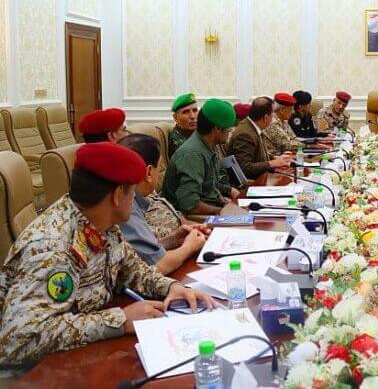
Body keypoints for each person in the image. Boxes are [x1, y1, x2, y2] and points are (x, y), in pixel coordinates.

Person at [0, 142, 215, 369]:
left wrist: (171, 287)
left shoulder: (102, 223)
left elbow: (133, 270)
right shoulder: (52, 248)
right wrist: (119, 320)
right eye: (132, 192)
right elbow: (19, 341)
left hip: (82, 356)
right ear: (118, 195)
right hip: (37, 373)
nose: (135, 200)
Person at [118, 134, 211, 275]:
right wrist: (190, 247)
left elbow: (140, 251)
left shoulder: (133, 200)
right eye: (159, 166)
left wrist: (172, 240)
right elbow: (158, 265)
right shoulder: (125, 206)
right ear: (149, 172)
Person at [162, 99, 239, 216]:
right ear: (217, 128)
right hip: (190, 218)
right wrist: (223, 212)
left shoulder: (207, 145)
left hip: (209, 208)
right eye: (228, 129)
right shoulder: (193, 154)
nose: (229, 133)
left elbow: (209, 185)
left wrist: (224, 202)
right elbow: (190, 205)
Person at [226, 96, 293, 180]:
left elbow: (256, 153)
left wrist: (275, 158)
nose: (273, 118)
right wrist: (272, 163)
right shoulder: (245, 134)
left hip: (260, 177)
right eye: (272, 115)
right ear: (265, 118)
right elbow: (245, 168)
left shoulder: (252, 126)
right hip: (251, 182)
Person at [263, 93, 307, 157]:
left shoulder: (284, 121)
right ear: (282, 110)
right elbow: (287, 145)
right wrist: (309, 146)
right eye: (290, 109)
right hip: (274, 158)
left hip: (287, 155)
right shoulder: (272, 122)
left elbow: (293, 138)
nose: (293, 112)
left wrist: (311, 142)